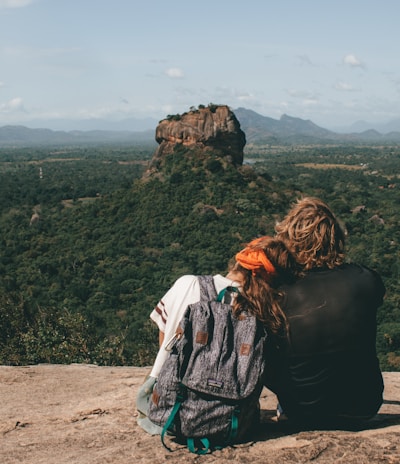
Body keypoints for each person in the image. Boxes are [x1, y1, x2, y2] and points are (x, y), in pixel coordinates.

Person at [136, 235, 297, 434]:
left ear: (240, 260)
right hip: (231, 419)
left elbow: (164, 341)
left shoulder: (188, 284)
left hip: (167, 411)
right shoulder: (265, 312)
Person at [264, 197, 386, 427]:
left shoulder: (280, 290)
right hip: (364, 405)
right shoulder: (367, 279)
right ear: (336, 237)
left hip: (301, 408)